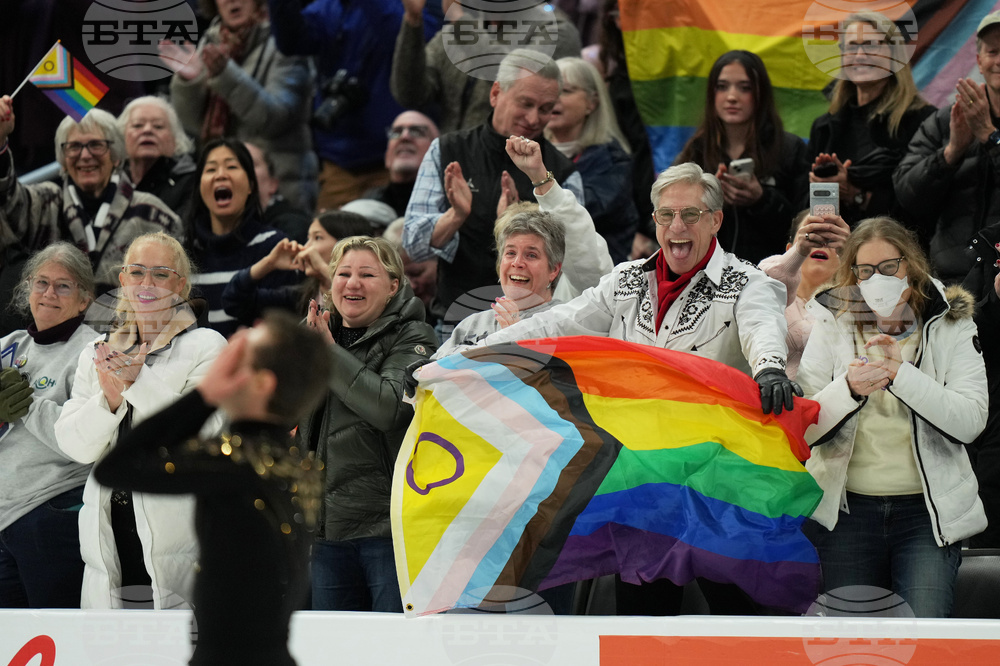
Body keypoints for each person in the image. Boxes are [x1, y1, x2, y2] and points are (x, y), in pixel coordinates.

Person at [478, 161, 800, 615]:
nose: (677, 226)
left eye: (690, 215)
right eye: (666, 216)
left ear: (715, 221)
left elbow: (762, 325)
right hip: (643, 483)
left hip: (715, 483)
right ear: (654, 222)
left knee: (739, 612)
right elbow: (556, 323)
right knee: (644, 617)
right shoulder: (627, 279)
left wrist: (769, 367)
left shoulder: (747, 282)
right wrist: (472, 354)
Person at [94, 312, 330, 665]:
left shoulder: (237, 462)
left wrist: (205, 394)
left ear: (262, 384)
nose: (223, 363)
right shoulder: (298, 462)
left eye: (236, 360)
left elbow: (115, 467)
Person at [797, 217, 987, 618]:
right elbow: (804, 425)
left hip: (926, 516)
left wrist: (901, 375)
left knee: (923, 643)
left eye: (888, 267)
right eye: (865, 270)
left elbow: (971, 420)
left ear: (910, 265)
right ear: (853, 273)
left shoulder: (949, 320)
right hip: (848, 511)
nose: (877, 279)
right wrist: (847, 390)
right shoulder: (833, 319)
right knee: (851, 649)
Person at [54, 232, 227, 609]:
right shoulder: (96, 352)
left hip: (182, 545)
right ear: (122, 281)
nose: (146, 284)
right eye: (136, 272)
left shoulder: (207, 346)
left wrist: (136, 382)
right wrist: (110, 400)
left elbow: (204, 435)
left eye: (161, 274)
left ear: (180, 286)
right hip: (109, 542)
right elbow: (74, 446)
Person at [300, 236, 437, 611]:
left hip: (386, 534)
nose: (352, 283)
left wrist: (328, 353)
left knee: (390, 652)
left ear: (394, 286)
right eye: (343, 273)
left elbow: (390, 408)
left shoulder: (415, 336)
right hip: (325, 533)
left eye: (367, 274)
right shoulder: (314, 331)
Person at [403, 48, 585, 326]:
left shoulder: (562, 172)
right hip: (454, 321)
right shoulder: (448, 149)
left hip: (534, 326)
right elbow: (412, 246)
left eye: (546, 109)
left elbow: (572, 262)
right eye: (525, 103)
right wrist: (455, 216)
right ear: (496, 93)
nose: (534, 119)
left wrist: (516, 223)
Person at [436, 135, 612, 354]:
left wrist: (514, 338)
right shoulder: (471, 324)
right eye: (510, 253)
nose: (517, 263)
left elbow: (583, 249)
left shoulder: (567, 322)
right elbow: (428, 376)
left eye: (531, 255)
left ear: (554, 269)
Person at [266, 0, 442, 210]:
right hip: (340, 165)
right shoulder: (330, 7)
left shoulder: (418, 3)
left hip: (400, 161)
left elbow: (414, 43)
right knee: (329, 238)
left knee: (395, 240)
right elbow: (291, 42)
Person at [0, 100, 183, 295]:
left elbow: (173, 289)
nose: (85, 155)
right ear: (62, 161)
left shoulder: (153, 214)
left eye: (96, 145)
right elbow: (8, 200)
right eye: (74, 147)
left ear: (116, 157)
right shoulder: (47, 203)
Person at [0, 243, 97, 608]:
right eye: (41, 283)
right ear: (28, 290)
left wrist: (26, 404)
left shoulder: (93, 352)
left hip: (50, 515)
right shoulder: (8, 346)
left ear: (84, 299)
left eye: (63, 286)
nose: (49, 294)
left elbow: (86, 437)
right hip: (3, 518)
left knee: (59, 638)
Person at [162, 0, 318, 212]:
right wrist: (190, 83)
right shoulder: (212, 40)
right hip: (223, 187)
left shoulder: (285, 41)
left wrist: (225, 76)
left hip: (278, 189)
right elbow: (191, 127)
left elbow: (276, 117)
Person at [894, 11, 1000, 283]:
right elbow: (907, 196)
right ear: (979, 60)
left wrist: (989, 136)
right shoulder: (946, 120)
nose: (999, 60)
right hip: (951, 280)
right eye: (993, 51)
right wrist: (951, 152)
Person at [676, 50, 809, 265]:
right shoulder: (696, 150)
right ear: (712, 93)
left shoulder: (789, 149)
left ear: (760, 94)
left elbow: (804, 228)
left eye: (744, 88)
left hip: (772, 275)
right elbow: (665, 217)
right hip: (708, 275)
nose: (731, 96)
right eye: (722, 86)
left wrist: (762, 200)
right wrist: (708, 200)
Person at [808, 11, 933, 226]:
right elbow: (804, 209)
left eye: (871, 45)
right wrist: (823, 189)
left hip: (897, 252)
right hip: (834, 251)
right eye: (852, 46)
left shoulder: (923, 121)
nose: (860, 54)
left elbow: (924, 206)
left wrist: (854, 194)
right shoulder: (824, 127)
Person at [391, 0, 583, 135]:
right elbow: (410, 95)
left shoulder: (555, 29)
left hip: (519, 168)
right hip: (451, 165)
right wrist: (413, 21)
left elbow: (514, 79)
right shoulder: (455, 33)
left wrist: (460, 21)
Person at [185, 137, 298, 338]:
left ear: (251, 186)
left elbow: (282, 331)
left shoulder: (275, 249)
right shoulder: (184, 252)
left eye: (232, 167)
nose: (221, 175)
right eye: (211, 169)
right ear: (199, 187)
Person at [545, 57, 638, 264]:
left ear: (592, 103)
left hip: (594, 281)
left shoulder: (613, 162)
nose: (554, 99)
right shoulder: (529, 150)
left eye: (566, 91)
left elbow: (575, 216)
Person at [222, 209, 371, 321]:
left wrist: (326, 271)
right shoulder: (300, 297)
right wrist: (269, 263)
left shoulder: (368, 293)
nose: (306, 247)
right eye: (308, 238)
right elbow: (234, 301)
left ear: (345, 246)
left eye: (317, 238)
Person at [759, 210, 851, 378]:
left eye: (830, 238)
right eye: (811, 234)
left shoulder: (852, 301)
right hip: (770, 398)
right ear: (790, 250)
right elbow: (759, 282)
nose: (821, 244)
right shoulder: (770, 286)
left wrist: (852, 255)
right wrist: (798, 252)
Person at [117, 96, 198, 216]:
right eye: (138, 125)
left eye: (158, 126)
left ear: (175, 140)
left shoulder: (193, 183)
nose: (148, 130)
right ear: (121, 138)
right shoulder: (110, 182)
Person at [363, 110, 440, 218]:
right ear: (387, 156)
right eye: (396, 132)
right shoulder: (366, 206)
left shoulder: (449, 207)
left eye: (417, 132)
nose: (404, 137)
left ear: (438, 153)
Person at [245, 141, 311, 244]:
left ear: (272, 184)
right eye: (233, 166)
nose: (243, 170)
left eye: (250, 163)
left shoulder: (292, 226)